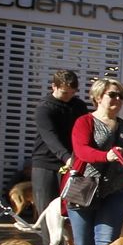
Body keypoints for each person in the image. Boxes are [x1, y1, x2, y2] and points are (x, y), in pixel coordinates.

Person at [66, 76, 123, 245]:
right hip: (85, 189)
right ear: (98, 97)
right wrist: (105, 156)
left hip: (119, 191)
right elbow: (81, 150)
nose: (118, 99)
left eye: (121, 96)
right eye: (113, 95)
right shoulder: (84, 122)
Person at [30, 69, 88, 215]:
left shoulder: (79, 106)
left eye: (72, 93)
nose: (69, 96)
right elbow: (50, 136)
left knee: (75, 210)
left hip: (73, 164)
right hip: (47, 164)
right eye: (64, 93)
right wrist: (67, 157)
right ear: (54, 87)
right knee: (48, 213)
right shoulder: (44, 108)